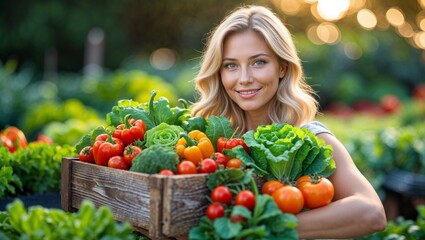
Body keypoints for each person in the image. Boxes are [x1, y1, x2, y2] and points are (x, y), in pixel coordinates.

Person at [190, 4, 387, 239]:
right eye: (231, 65)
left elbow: (372, 212)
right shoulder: (214, 146)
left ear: (282, 67)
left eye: (258, 62)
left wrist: (264, 227)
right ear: (219, 74)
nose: (244, 79)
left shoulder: (310, 139)